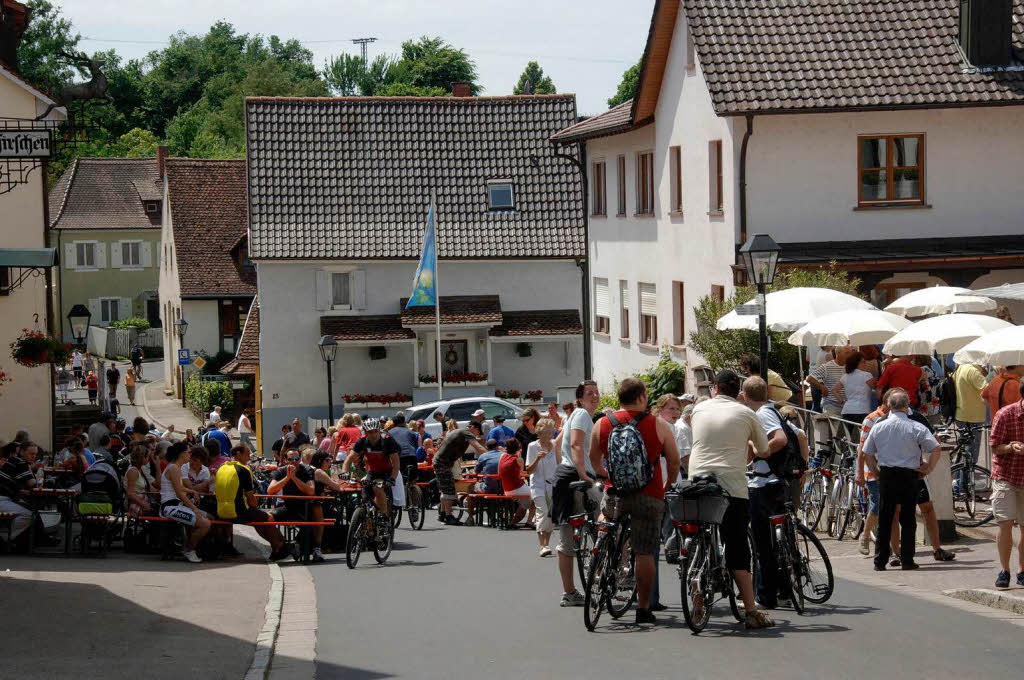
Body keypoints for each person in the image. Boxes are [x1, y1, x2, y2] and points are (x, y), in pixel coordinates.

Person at [688, 370, 774, 629]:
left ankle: (697, 595)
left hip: (697, 482)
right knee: (737, 547)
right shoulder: (747, 413)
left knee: (699, 535)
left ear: (714, 388)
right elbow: (764, 451)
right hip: (731, 487)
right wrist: (749, 444)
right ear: (737, 392)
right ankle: (750, 609)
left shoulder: (698, 411)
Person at [591, 377, 680, 625]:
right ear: (641, 397)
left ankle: (601, 548)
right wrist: (668, 485)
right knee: (644, 552)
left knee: (607, 518)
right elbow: (673, 461)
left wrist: (608, 476)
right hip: (648, 494)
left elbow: (594, 460)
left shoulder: (603, 423)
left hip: (616, 493)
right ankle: (643, 608)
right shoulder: (658, 424)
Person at [861, 389, 942, 571]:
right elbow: (936, 448)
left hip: (887, 474)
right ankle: (907, 559)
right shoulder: (916, 427)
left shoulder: (879, 426)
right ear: (907, 406)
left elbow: (866, 452)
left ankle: (880, 561)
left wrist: (876, 471)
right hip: (909, 475)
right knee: (908, 519)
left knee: (885, 517)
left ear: (889, 405)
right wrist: (928, 468)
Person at [741, 376, 801, 609]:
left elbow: (781, 439)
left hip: (765, 484)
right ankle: (785, 590)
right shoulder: (771, 410)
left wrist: (759, 451)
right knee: (779, 541)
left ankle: (767, 595)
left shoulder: (762, 414)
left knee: (763, 542)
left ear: (745, 395)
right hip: (775, 481)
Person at [550, 380, 602, 607]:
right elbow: (576, 445)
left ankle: (569, 591)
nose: (595, 396)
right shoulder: (581, 414)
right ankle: (609, 571)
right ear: (580, 398)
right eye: (589, 393)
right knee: (604, 520)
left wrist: (564, 466)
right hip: (575, 477)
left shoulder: (575, 416)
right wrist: (583, 473)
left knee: (567, 536)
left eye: (596, 392)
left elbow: (557, 443)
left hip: (565, 476)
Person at [216, 444, 289, 560]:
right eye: (247, 454)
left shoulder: (222, 468)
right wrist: (255, 504)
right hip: (237, 512)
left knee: (257, 518)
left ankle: (278, 547)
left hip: (220, 511)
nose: (249, 457)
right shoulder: (244, 469)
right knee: (267, 517)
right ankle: (280, 546)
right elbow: (251, 500)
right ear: (238, 454)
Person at [989, 393, 1024, 588]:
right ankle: (1005, 570)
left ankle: (1022, 570)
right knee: (1006, 523)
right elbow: (994, 446)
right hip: (1006, 476)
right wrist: (1010, 447)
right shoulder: (1005, 414)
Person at [159, 443, 211, 563]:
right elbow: (179, 493)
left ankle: (189, 545)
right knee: (205, 524)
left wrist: (191, 491)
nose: (190, 454)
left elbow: (179, 488)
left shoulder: (174, 467)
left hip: (175, 505)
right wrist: (194, 509)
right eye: (188, 452)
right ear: (182, 454)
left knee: (209, 517)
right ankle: (189, 550)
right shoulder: (174, 468)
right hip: (169, 507)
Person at [0, 441, 57, 549]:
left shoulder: (14, 461)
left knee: (31, 507)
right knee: (29, 514)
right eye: (31, 454)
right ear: (21, 452)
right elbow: (32, 484)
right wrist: (41, 480)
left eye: (35, 454)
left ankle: (39, 538)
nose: (34, 457)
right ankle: (12, 539)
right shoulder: (20, 462)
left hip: (6, 498)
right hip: (2, 499)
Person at [342, 418, 401, 517]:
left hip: (387, 471)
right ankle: (369, 515)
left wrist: (392, 478)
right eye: (370, 432)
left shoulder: (387, 440)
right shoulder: (362, 441)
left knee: (377, 488)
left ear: (379, 430)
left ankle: (384, 516)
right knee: (364, 493)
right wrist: (344, 474)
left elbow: (395, 462)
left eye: (375, 431)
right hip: (373, 471)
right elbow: (349, 459)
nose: (373, 435)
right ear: (365, 432)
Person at [432, 421, 486, 525]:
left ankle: (443, 514)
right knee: (449, 489)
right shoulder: (466, 432)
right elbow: (477, 447)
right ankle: (448, 516)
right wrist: (491, 455)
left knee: (445, 488)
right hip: (443, 463)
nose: (477, 434)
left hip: (441, 461)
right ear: (473, 427)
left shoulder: (458, 432)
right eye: (478, 431)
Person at [525, 417, 558, 557]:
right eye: (548, 431)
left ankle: (547, 543)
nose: (551, 434)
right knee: (542, 512)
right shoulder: (533, 446)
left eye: (552, 431)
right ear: (540, 432)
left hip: (552, 484)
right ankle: (542, 545)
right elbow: (529, 470)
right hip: (537, 484)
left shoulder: (555, 445)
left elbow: (559, 463)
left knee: (551, 514)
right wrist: (537, 458)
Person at [953, 360, 988, 475]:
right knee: (971, 455)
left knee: (965, 453)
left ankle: (959, 484)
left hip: (961, 414)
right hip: (973, 416)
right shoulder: (973, 371)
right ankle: (965, 486)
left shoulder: (961, 368)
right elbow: (987, 390)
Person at [309, 450, 343, 562]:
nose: (330, 463)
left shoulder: (310, 469)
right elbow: (337, 487)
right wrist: (335, 479)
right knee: (336, 516)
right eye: (327, 460)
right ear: (320, 461)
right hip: (314, 505)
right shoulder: (319, 472)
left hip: (307, 504)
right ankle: (321, 547)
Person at [464, 439, 503, 526]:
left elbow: (476, 472)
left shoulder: (483, 456)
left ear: (486, 447)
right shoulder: (504, 455)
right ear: (497, 446)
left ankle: (470, 517)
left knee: (470, 488)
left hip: (488, 488)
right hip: (504, 488)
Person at [840, 351, 876, 436]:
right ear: (857, 363)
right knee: (863, 437)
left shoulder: (845, 376)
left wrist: (842, 400)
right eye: (863, 362)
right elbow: (875, 387)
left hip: (847, 410)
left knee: (848, 437)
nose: (866, 364)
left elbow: (834, 390)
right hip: (862, 410)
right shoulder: (866, 375)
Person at [499, 439, 531, 524]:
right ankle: (529, 520)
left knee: (528, 496)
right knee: (537, 495)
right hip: (517, 488)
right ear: (518, 449)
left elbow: (499, 473)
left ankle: (513, 519)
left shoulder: (502, 457)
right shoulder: (519, 460)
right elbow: (521, 474)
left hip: (506, 489)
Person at [124, 444, 154, 515]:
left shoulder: (140, 469)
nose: (149, 459)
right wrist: (144, 504)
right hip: (135, 505)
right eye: (147, 457)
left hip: (140, 503)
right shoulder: (133, 471)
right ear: (142, 458)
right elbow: (130, 493)